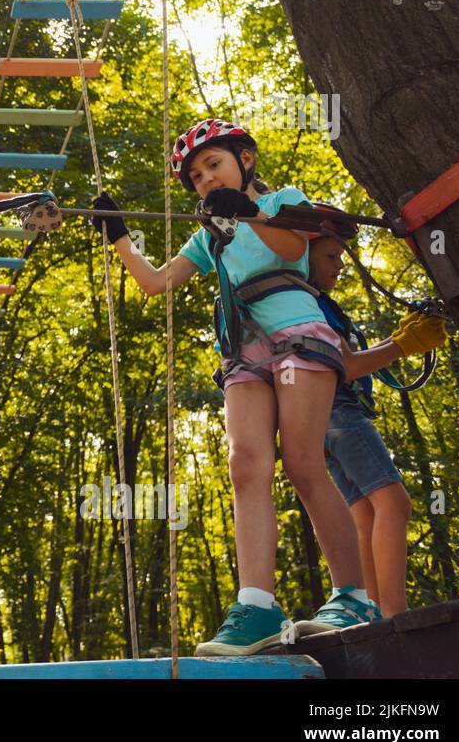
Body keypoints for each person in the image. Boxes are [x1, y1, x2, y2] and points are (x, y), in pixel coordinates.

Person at [87, 118, 380, 656]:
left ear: (245, 160)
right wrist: (121, 237)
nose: (203, 179)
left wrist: (249, 212)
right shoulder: (208, 235)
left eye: (212, 165)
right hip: (242, 348)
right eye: (195, 176)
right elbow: (157, 283)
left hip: (296, 329)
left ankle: (355, 594)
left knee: (302, 461)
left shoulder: (284, 199)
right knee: (245, 462)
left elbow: (294, 247)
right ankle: (257, 605)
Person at [304, 202, 447, 619]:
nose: (340, 266)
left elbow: (346, 359)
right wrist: (406, 345)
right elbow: (346, 367)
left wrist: (401, 338)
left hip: (323, 422)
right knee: (394, 503)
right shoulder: (306, 303)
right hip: (339, 413)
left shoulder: (316, 303)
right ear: (301, 252)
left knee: (365, 513)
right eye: (331, 256)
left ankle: (373, 613)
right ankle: (395, 618)